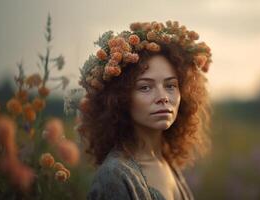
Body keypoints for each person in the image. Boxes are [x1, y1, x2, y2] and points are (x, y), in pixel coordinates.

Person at [77, 20, 212, 200]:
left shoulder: (165, 163)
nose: (163, 96)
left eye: (170, 85)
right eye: (145, 87)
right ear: (120, 98)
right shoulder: (114, 177)